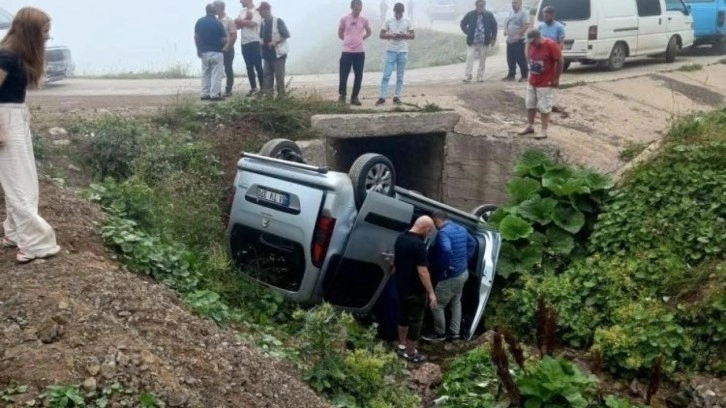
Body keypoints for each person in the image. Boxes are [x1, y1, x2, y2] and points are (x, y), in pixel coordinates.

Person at [0, 7, 61, 264]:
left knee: (22, 180)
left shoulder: (16, 54)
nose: (47, 36)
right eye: (44, 31)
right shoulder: (7, 55)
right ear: (30, 31)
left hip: (14, 116)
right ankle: (36, 244)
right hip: (4, 120)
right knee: (20, 184)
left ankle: (15, 233)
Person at [422, 211, 476, 342]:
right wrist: (464, 260)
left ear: (436, 220)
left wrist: (445, 266)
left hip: (451, 277)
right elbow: (473, 243)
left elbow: (446, 250)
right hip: (463, 273)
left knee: (437, 305)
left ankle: (439, 333)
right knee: (456, 302)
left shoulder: (444, 233)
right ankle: (455, 333)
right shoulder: (461, 228)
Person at [394, 216, 437, 363]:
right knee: (415, 321)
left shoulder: (401, 238)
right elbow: (422, 271)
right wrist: (431, 293)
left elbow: (396, 261)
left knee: (403, 315)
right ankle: (411, 353)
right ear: (423, 228)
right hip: (415, 290)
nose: (429, 234)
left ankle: (401, 345)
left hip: (401, 285)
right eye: (429, 230)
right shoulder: (419, 245)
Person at [518, 29, 562, 139]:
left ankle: (544, 130)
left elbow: (560, 60)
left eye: (532, 42)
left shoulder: (551, 45)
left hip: (545, 82)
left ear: (538, 38)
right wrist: (527, 47)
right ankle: (530, 126)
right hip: (533, 80)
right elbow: (528, 57)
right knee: (530, 104)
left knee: (544, 107)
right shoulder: (532, 45)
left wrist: (556, 78)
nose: (531, 44)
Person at [376, 2, 415, 106]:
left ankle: (397, 96)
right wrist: (390, 35)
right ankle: (382, 96)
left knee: (400, 76)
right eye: (397, 13)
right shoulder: (388, 20)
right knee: (386, 75)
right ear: (394, 11)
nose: (398, 15)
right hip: (391, 50)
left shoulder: (407, 21)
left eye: (400, 13)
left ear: (403, 12)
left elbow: (413, 35)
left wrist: (404, 35)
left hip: (402, 51)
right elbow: (381, 35)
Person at [338, 0, 372, 106]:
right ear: (352, 7)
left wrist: (361, 39)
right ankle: (342, 96)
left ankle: (354, 97)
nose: (358, 11)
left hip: (359, 52)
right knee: (343, 74)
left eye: (360, 9)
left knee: (358, 75)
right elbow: (340, 33)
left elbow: (369, 32)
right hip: (347, 51)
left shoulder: (364, 19)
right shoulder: (344, 19)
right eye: (356, 9)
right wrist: (347, 41)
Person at [459, 0, 497, 83]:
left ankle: (480, 76)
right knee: (469, 57)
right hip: (472, 41)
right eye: (478, 6)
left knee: (482, 59)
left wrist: (493, 38)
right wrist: (467, 31)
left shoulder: (489, 15)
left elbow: (494, 26)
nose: (479, 7)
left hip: (484, 41)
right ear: (475, 6)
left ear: (484, 6)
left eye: (481, 6)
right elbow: (462, 23)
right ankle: (468, 75)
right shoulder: (470, 14)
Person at [195, 4, 227, 100]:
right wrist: (223, 46)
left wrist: (198, 49)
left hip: (204, 51)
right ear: (214, 11)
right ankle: (215, 94)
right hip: (216, 51)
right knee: (216, 74)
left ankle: (205, 93)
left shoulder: (200, 22)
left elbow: (196, 37)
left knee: (206, 73)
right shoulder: (218, 22)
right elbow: (224, 39)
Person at [259, 2, 290, 97]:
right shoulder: (262, 23)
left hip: (278, 55)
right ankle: (269, 96)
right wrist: (261, 41)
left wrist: (275, 42)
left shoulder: (278, 21)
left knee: (279, 76)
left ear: (267, 10)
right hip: (267, 55)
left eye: (261, 11)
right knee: (267, 76)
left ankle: (281, 96)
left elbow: (286, 35)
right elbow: (260, 36)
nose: (260, 13)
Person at [235, 0, 264, 96]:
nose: (240, 2)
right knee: (249, 66)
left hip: (255, 41)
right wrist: (246, 19)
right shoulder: (242, 12)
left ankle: (263, 88)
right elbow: (237, 26)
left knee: (258, 66)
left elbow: (252, 24)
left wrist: (240, 21)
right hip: (244, 42)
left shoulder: (257, 11)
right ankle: (253, 88)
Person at [214, 0, 238, 97]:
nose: (214, 9)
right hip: (217, 49)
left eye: (215, 7)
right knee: (217, 70)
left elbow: (233, 35)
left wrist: (228, 47)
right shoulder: (215, 21)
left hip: (228, 49)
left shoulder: (229, 21)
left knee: (228, 69)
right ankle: (216, 90)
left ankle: (228, 90)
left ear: (220, 8)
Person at [503, 0, 530, 82]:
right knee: (510, 58)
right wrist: (506, 30)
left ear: (520, 3)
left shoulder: (524, 13)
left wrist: (518, 34)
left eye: (515, 3)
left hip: (519, 40)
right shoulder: (511, 12)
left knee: (520, 58)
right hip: (510, 39)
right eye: (512, 3)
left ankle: (524, 76)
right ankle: (511, 75)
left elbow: (526, 25)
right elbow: (507, 22)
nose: (513, 4)